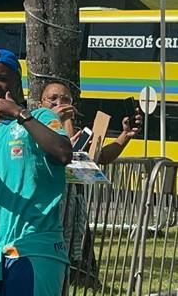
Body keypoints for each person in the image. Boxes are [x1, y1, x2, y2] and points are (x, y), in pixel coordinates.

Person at [0, 49, 73, 296]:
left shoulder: (39, 117)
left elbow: (63, 153)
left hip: (35, 252)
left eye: (0, 78)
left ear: (17, 81)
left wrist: (18, 113)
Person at [38, 80, 142, 285]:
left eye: (66, 99)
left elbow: (99, 157)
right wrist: (63, 121)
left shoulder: (75, 130)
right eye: (53, 99)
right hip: (46, 209)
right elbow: (64, 153)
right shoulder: (36, 128)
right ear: (41, 104)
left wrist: (125, 136)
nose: (60, 103)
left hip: (71, 205)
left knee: (65, 262)